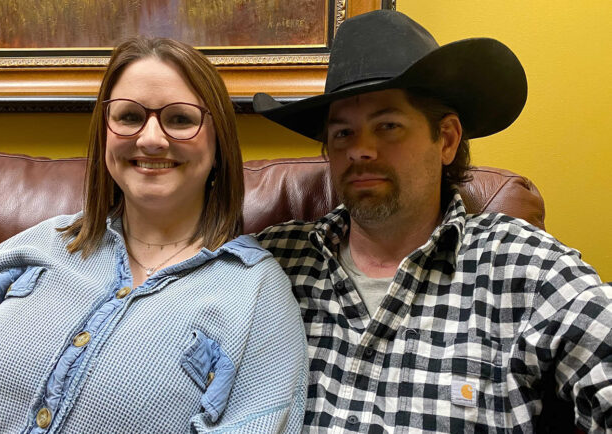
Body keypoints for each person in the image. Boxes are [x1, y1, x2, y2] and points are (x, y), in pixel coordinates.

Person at [0, 37, 307, 433]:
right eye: (129, 116)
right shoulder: (40, 245)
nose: (151, 138)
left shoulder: (256, 294)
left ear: (219, 144)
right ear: (103, 136)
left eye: (180, 119)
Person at [252, 10, 612, 433]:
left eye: (388, 126)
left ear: (445, 140)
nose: (360, 150)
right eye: (342, 133)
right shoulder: (272, 263)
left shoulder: (521, 267)